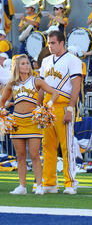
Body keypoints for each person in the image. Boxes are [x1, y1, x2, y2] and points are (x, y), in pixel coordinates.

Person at [0, 54, 59, 195]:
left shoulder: (36, 81)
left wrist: (47, 107)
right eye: (23, 64)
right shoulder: (12, 84)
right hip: (17, 122)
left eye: (27, 63)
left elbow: (54, 93)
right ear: (17, 67)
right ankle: (22, 186)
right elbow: (2, 101)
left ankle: (39, 185)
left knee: (34, 155)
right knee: (20, 155)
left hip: (33, 121)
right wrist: (4, 114)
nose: (27, 66)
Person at [39, 30, 82, 194]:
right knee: (47, 146)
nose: (50, 46)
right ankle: (49, 183)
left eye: (53, 43)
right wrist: (39, 107)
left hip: (63, 105)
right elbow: (41, 86)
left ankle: (70, 182)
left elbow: (76, 87)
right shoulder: (46, 61)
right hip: (47, 107)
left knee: (67, 147)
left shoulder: (73, 60)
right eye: (49, 43)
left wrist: (70, 109)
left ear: (62, 43)